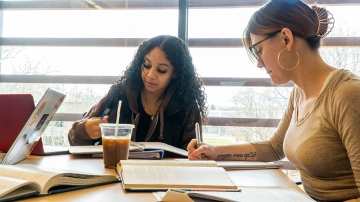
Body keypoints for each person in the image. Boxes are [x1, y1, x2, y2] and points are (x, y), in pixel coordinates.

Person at [187, 0, 360, 201]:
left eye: (258, 51)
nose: (259, 63)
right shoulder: (299, 93)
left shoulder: (347, 94)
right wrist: (215, 151)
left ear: (286, 38)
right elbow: (273, 148)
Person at [68, 35, 207, 150]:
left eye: (161, 70)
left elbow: (191, 155)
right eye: (146, 65)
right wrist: (83, 130)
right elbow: (74, 142)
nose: (150, 74)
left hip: (164, 181)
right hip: (114, 177)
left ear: (176, 73)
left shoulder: (187, 107)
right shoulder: (118, 95)